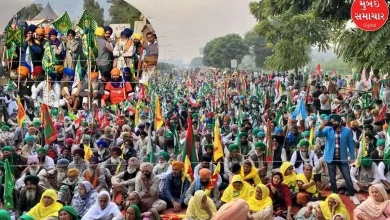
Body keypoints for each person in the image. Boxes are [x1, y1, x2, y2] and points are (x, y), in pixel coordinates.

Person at [316, 114, 360, 205]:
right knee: (332, 178)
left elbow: (351, 145)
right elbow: (318, 134)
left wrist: (352, 157)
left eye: (334, 121)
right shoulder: (328, 129)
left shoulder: (347, 131)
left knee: (347, 177)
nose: (332, 122)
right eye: (331, 121)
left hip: (342, 158)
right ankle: (335, 195)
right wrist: (322, 126)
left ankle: (352, 195)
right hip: (330, 158)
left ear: (339, 122)